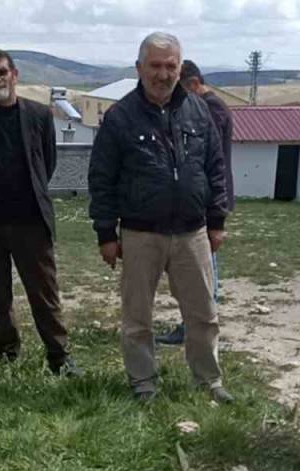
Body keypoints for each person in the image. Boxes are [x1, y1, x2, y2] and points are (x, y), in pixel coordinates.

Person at [88, 32, 232, 404]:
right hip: (140, 233)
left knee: (203, 314)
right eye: (155, 65)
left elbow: (215, 167)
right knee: (138, 318)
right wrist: (106, 232)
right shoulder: (120, 117)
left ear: (180, 69)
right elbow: (101, 179)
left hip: (193, 232)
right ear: (139, 68)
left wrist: (217, 220)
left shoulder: (198, 111)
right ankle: (144, 384)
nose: (163, 74)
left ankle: (209, 381)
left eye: (171, 66)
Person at [0, 49, 82, 377]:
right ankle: (7, 357)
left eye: (1, 72)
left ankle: (59, 358)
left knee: (44, 294)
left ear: (14, 74)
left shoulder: (40, 115)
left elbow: (47, 164)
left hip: (30, 222)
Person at [156, 60, 234, 347]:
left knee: (204, 271)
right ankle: (193, 322)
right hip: (204, 197)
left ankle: (197, 325)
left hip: (207, 199)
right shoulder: (214, 105)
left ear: (191, 83)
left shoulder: (210, 108)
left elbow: (202, 157)